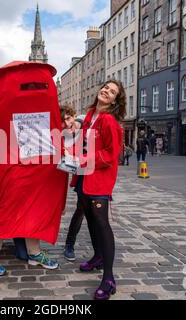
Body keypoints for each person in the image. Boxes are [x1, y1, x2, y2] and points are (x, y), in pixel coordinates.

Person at [69, 80, 125, 300]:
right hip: (83, 176)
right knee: (91, 220)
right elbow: (81, 143)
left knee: (102, 224)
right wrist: (69, 152)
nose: (106, 91)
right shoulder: (90, 115)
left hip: (99, 178)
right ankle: (98, 257)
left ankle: (109, 278)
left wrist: (83, 159)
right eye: (105, 87)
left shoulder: (110, 121)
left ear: (114, 100)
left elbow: (111, 154)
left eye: (112, 92)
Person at [60, 105, 84, 262]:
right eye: (63, 121)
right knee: (81, 210)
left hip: (95, 172)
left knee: (97, 214)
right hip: (81, 174)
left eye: (68, 118)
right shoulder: (63, 136)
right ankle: (69, 244)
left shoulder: (85, 125)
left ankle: (101, 250)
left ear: (74, 116)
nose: (66, 123)